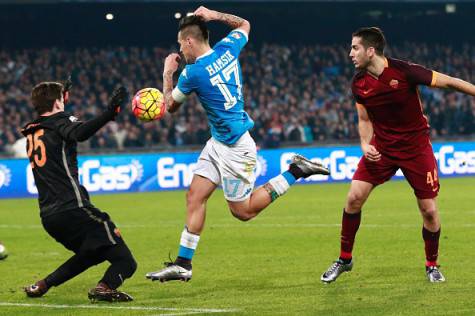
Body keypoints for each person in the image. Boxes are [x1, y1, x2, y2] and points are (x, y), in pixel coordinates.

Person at [146, 7, 330, 282]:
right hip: (218, 142)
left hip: (235, 148)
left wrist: (167, 72)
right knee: (195, 196)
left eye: (180, 45)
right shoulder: (227, 49)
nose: (180, 52)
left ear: (189, 41)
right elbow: (244, 23)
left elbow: (169, 106)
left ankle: (296, 171)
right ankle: (183, 264)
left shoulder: (191, 73)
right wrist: (213, 14)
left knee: (242, 212)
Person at [321, 27, 475, 283]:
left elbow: (449, 82)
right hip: (382, 148)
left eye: (354, 48)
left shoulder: (404, 71)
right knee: (353, 198)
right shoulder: (358, 82)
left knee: (429, 211)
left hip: (416, 149)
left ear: (371, 51)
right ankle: (345, 259)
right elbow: (363, 118)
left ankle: (431, 264)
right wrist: (364, 143)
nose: (350, 53)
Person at [22, 80, 137, 301]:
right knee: (126, 262)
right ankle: (104, 287)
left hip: (49, 217)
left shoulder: (33, 130)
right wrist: (109, 112)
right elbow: (80, 132)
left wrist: (58, 95)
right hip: (73, 208)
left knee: (91, 253)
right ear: (58, 101)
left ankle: (43, 285)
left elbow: (58, 128)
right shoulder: (61, 122)